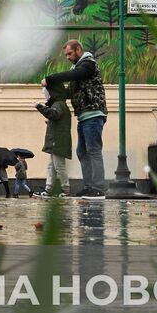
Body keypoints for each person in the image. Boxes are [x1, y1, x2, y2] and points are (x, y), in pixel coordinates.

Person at [43, 38, 107, 197]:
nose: (68, 57)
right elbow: (67, 94)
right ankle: (89, 186)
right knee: (81, 152)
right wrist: (51, 95)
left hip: (93, 114)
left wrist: (51, 79)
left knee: (93, 151)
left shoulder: (88, 64)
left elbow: (75, 74)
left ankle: (98, 188)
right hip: (83, 116)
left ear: (78, 49)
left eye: (70, 53)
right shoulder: (76, 69)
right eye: (66, 55)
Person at [34, 80, 73, 197]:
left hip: (57, 142)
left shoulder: (58, 105)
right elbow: (58, 120)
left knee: (59, 166)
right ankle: (48, 189)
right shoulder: (60, 104)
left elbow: (54, 115)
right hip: (56, 142)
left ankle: (65, 190)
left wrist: (39, 107)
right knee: (52, 166)